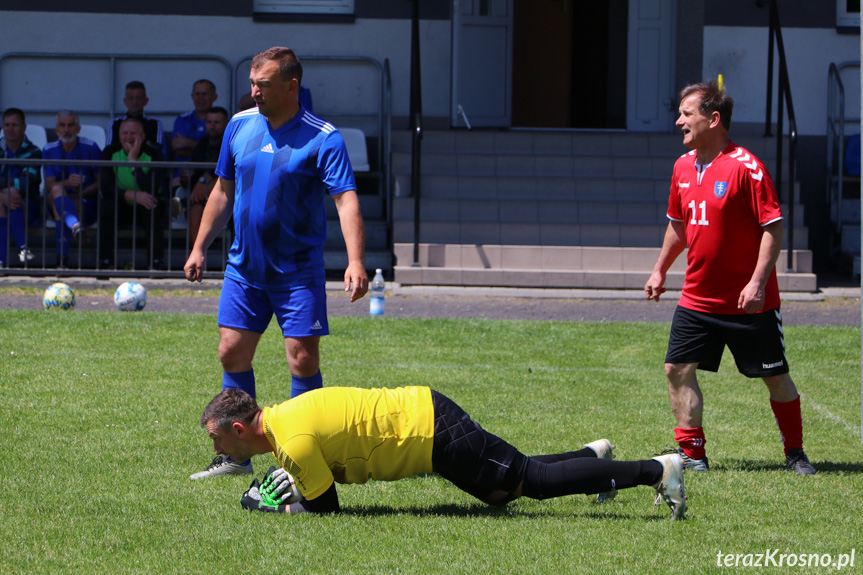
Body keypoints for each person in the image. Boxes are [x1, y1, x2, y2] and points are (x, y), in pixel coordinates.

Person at [184, 46, 368, 480]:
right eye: (252, 84)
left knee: (302, 361)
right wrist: (199, 246)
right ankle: (235, 456)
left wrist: (355, 260)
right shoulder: (238, 125)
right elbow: (223, 191)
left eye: (263, 85)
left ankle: (306, 455)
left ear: (291, 86)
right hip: (244, 269)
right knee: (231, 353)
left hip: (297, 273)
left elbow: (346, 201)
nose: (254, 92)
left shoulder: (324, 137)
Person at [644, 79, 816, 476]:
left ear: (713, 118)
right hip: (697, 299)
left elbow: (773, 228)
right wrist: (660, 268)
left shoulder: (747, 168)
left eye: (687, 114)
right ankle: (693, 455)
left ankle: (795, 453)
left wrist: (757, 282)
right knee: (677, 369)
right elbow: (679, 225)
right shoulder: (682, 167)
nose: (678, 122)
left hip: (749, 302)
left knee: (775, 378)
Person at [200, 386, 687, 519]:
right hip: (426, 423)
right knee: (501, 491)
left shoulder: (291, 441)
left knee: (528, 484)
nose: (218, 448)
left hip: (430, 430)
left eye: (217, 439)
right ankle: (591, 458)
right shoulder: (285, 420)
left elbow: (324, 508)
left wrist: (269, 505)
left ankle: (657, 470)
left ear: (240, 429)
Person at [99, 116, 168, 269]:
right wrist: (131, 195)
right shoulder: (110, 153)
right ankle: (105, 261)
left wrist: (133, 162)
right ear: (119, 136)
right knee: (106, 207)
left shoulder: (155, 155)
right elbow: (106, 187)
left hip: (146, 203)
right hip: (121, 203)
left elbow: (151, 187)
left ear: (143, 137)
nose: (128, 137)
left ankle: (155, 262)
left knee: (152, 206)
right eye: (124, 133)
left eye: (133, 133)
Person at [43, 110, 102, 268]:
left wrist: (81, 192)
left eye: (71, 125)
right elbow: (49, 185)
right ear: (56, 130)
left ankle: (62, 259)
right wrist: (68, 183)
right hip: (58, 197)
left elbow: (101, 182)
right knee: (57, 193)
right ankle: (75, 226)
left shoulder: (91, 147)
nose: (66, 129)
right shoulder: (48, 150)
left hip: (85, 201)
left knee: (61, 205)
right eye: (62, 125)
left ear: (78, 129)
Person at [0, 108, 42, 266]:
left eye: (14, 125)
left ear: (24, 128)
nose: (10, 129)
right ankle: (22, 249)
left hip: (28, 205)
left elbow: (25, 184)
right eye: (7, 125)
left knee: (13, 193)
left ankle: (3, 260)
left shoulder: (34, 152)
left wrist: (5, 190)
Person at [185, 106, 228, 247]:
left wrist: (206, 179)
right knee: (195, 207)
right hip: (200, 197)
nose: (212, 126)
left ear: (226, 123)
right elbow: (195, 170)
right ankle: (195, 254)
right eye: (209, 122)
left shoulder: (230, 143)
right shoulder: (202, 144)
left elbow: (228, 169)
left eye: (217, 122)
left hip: (228, 197)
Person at [105, 81, 165, 153]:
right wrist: (144, 144)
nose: (134, 102)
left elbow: (157, 149)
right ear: (125, 101)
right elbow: (109, 150)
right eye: (130, 98)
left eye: (138, 98)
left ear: (145, 101)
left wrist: (124, 144)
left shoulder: (155, 124)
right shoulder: (114, 123)